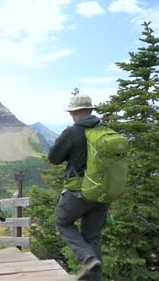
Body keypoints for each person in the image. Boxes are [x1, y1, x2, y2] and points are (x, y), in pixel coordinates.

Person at [47, 94, 109, 281]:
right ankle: (93, 273)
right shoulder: (104, 129)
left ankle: (87, 258)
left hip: (79, 191)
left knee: (63, 222)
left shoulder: (72, 132)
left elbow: (53, 158)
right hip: (103, 192)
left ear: (74, 113)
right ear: (90, 110)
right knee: (92, 238)